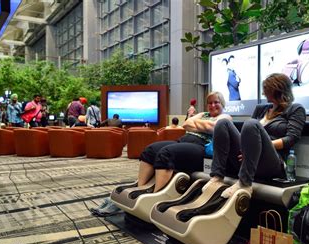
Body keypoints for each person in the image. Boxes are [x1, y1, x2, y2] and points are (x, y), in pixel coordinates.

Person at [90, 92, 230, 216]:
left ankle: (155, 197)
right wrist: (199, 124)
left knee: (166, 153)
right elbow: (186, 124)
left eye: (216, 102)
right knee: (150, 149)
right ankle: (139, 189)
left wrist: (196, 123)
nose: (212, 105)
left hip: (200, 148)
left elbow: (212, 127)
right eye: (210, 103)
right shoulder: (203, 115)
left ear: (222, 104)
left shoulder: (226, 117)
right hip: (182, 142)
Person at [204, 73, 306, 198]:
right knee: (222, 123)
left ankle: (244, 183)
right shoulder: (261, 109)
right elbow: (247, 136)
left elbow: (291, 139)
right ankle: (217, 177)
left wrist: (256, 147)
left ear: (277, 90)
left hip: (273, 162)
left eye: (266, 90)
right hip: (249, 159)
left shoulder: (295, 109)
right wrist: (247, 149)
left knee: (251, 124)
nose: (264, 93)